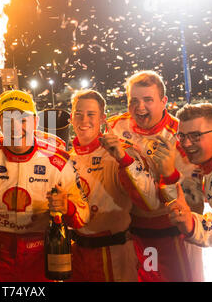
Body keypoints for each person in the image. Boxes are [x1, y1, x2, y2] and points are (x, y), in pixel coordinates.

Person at [0, 89, 90, 281]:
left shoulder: (58, 160)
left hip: (41, 262)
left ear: (35, 122)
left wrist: (66, 207)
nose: (16, 127)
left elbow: (83, 217)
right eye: (9, 120)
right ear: (0, 122)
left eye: (23, 120)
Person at [107, 70, 204, 281]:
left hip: (173, 234)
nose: (140, 107)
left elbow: (196, 203)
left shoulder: (183, 136)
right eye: (134, 100)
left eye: (148, 100)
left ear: (164, 102)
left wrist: (170, 174)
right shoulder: (114, 127)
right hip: (132, 233)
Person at [68, 90, 173, 281]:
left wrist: (125, 161)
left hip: (113, 254)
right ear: (71, 118)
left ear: (102, 118)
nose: (84, 120)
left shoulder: (121, 152)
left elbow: (150, 202)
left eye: (91, 114)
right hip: (77, 254)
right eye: (78, 113)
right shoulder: (67, 158)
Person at [166, 103, 212, 247]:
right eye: (182, 136)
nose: (186, 143)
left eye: (195, 135)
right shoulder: (206, 163)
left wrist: (193, 224)